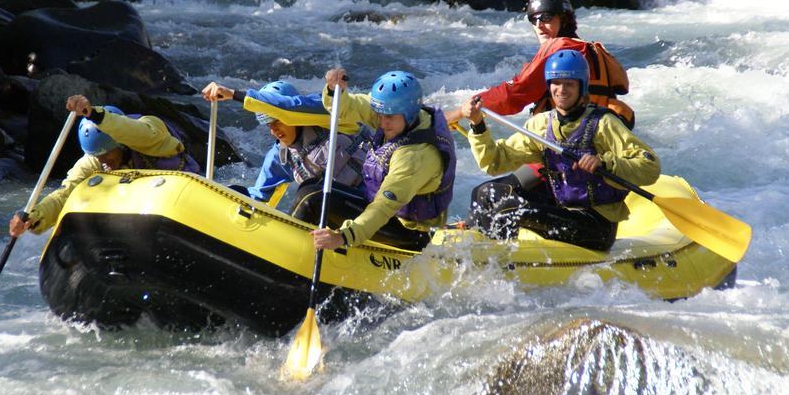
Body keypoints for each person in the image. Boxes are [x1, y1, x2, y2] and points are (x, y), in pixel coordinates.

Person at [460, 49, 659, 252]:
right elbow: (495, 162)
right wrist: (477, 126)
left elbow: (650, 166)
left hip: (595, 224)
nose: (561, 90)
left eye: (569, 84)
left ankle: (500, 263)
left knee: (514, 213)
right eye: (556, 83)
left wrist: (605, 162)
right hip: (561, 209)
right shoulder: (542, 124)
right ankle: (481, 247)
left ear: (581, 87)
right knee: (486, 193)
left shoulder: (603, 123)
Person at [8, 94, 200, 237]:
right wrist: (33, 217)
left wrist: (94, 114)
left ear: (120, 144)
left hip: (182, 205)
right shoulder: (94, 160)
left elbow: (130, 130)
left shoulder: (151, 132)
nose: (103, 161)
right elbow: (64, 194)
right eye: (98, 157)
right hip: (139, 223)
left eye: (107, 154)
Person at [310, 69, 457, 252]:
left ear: (409, 113)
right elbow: (351, 106)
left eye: (388, 117)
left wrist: (344, 236)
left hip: (411, 234)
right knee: (312, 186)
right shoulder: (395, 116)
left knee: (313, 199)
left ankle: (313, 251)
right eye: (379, 115)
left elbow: (383, 207)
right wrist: (335, 90)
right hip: (387, 215)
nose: (382, 122)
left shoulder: (415, 156)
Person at [445, 0, 634, 129]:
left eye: (547, 17)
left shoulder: (559, 49)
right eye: (533, 19)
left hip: (570, 144)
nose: (539, 25)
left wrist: (462, 111)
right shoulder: (593, 49)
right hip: (599, 137)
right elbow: (622, 87)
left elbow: (514, 95)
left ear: (565, 19)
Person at [200, 79, 369, 220]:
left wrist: (233, 94)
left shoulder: (329, 118)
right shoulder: (280, 156)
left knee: (310, 194)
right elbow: (258, 199)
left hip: (374, 204)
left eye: (277, 121)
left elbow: (292, 106)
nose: (274, 130)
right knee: (235, 192)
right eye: (269, 124)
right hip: (339, 219)